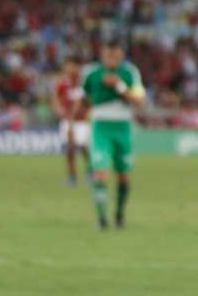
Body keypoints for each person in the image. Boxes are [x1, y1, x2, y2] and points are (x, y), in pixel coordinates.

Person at [70, 39, 146, 230]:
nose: (111, 56)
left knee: (123, 175)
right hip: (100, 126)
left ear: (121, 53)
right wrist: (72, 123)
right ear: (102, 52)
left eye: (115, 52)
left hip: (123, 127)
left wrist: (119, 86)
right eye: (108, 51)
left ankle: (119, 215)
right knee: (100, 172)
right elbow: (83, 100)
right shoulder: (91, 73)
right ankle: (102, 218)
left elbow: (139, 100)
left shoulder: (130, 72)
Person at [52, 56, 90, 185]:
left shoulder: (83, 82)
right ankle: (72, 176)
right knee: (69, 148)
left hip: (82, 121)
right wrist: (58, 109)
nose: (68, 69)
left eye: (71, 66)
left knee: (85, 148)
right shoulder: (62, 83)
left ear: (76, 67)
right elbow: (55, 97)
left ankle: (91, 172)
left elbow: (85, 101)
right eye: (66, 66)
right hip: (67, 120)